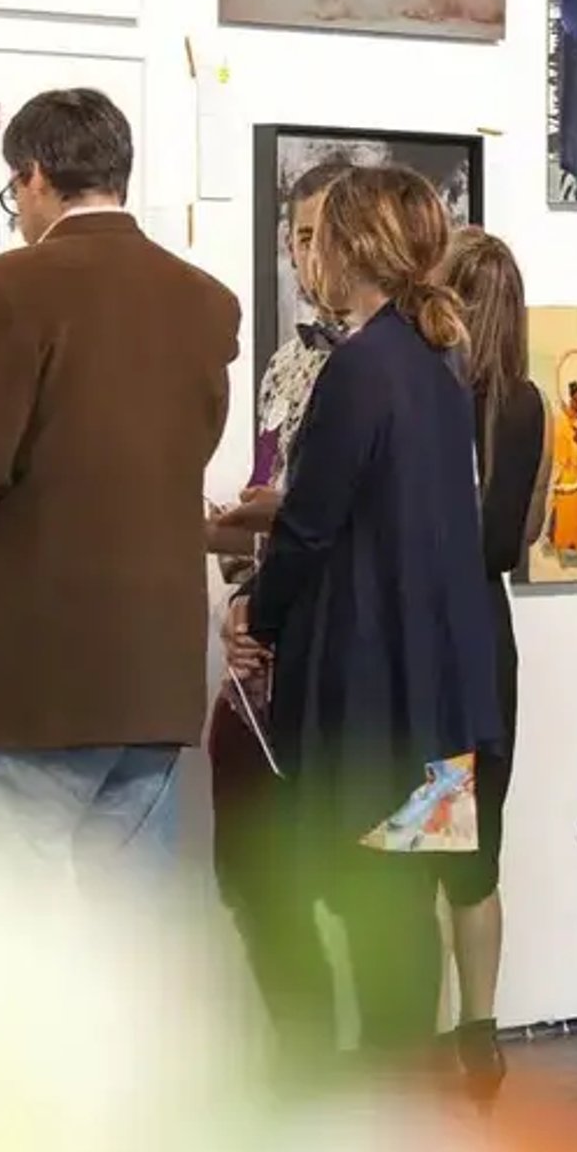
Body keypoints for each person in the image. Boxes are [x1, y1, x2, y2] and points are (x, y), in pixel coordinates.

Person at [0, 88, 238, 882]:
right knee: (124, 951)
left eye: (14, 189)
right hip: (154, 679)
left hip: (33, 679)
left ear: (35, 175)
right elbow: (182, 449)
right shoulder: (204, 301)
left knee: (4, 951)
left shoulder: (7, 289)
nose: (17, 208)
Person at [222, 164, 499, 1061]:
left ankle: (388, 1101)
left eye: (322, 237)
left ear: (354, 247)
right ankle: (411, 1097)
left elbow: (308, 528)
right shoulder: (437, 359)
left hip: (371, 695)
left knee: (370, 901)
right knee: (406, 902)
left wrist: (257, 619)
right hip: (440, 693)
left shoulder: (362, 366)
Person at [201, 159, 352, 1045]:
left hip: (364, 659)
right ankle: (304, 1051)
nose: (306, 255)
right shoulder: (289, 363)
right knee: (251, 869)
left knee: (397, 883)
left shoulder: (406, 361)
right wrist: (244, 595)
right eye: (296, 236)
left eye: (323, 235)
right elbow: (268, 495)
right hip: (273, 660)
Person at [435, 226, 553, 1104]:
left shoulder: (428, 401)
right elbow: (529, 536)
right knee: (478, 858)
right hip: (491, 639)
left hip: (431, 641)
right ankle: (481, 1032)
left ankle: (425, 1033)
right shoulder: (531, 406)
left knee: (416, 844)